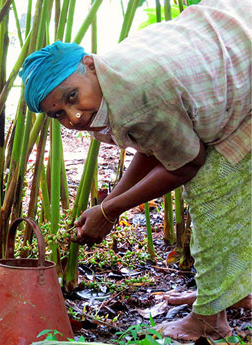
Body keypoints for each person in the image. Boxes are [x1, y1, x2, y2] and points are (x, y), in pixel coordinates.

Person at [18, 0, 251, 341]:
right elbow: (156, 144)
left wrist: (110, 211)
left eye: (72, 96)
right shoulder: (113, 79)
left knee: (213, 190)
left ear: (89, 65)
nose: (75, 116)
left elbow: (187, 163)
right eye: (59, 114)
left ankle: (211, 317)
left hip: (244, 70)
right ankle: (227, 291)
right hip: (232, 38)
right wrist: (107, 204)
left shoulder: (140, 95)